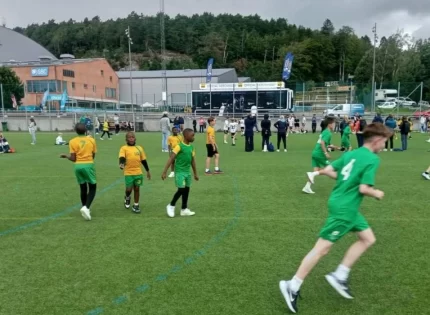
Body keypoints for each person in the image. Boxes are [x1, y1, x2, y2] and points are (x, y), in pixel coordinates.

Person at [280, 123, 392, 314]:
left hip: (343, 204)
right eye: (384, 142)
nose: (384, 146)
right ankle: (293, 284)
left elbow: (331, 171)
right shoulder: (372, 159)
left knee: (368, 238)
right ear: (377, 140)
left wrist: (339, 178)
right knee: (322, 248)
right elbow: (363, 189)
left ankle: (340, 274)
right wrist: (377, 193)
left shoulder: (351, 154)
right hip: (345, 209)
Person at [60, 123, 97, 221]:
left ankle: (84, 207)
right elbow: (93, 155)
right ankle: (86, 208)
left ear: (76, 131)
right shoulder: (91, 140)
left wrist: (66, 156)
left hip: (78, 166)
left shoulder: (72, 141)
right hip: (88, 165)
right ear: (86, 130)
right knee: (93, 187)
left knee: (83, 187)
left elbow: (73, 158)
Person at [162, 128, 199, 218]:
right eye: (192, 135)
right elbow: (171, 158)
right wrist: (165, 171)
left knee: (187, 189)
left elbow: (192, 161)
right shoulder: (179, 146)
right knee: (181, 189)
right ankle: (171, 205)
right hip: (180, 172)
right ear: (186, 136)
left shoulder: (191, 147)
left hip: (187, 172)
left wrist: (195, 173)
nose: (194, 137)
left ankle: (184, 209)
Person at [119, 132, 151, 214]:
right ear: (126, 139)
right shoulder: (124, 148)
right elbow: (122, 157)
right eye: (129, 137)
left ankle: (136, 205)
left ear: (135, 138)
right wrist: (122, 164)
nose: (131, 138)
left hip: (138, 172)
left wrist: (147, 171)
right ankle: (127, 196)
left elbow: (143, 160)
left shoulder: (139, 148)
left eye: (133, 137)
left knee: (137, 188)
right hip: (128, 172)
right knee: (129, 189)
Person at [302, 117, 335, 194]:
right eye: (333, 123)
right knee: (330, 169)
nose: (334, 124)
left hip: (315, 153)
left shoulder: (324, 132)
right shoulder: (328, 133)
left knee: (316, 170)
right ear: (329, 124)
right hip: (320, 154)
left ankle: (307, 187)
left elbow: (327, 144)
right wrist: (326, 153)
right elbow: (322, 143)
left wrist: (338, 148)